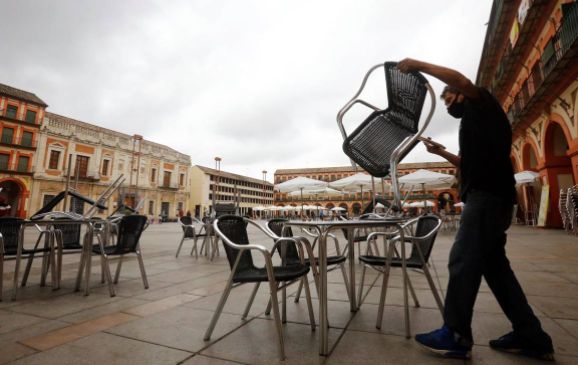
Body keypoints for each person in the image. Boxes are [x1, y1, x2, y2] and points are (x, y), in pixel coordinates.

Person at [397, 58, 554, 361]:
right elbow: (468, 165)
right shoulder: (475, 123)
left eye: (448, 99)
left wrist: (416, 64)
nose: (448, 106)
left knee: (462, 260)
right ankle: (530, 334)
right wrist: (441, 153)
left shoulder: (480, 102)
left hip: (486, 198)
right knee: (496, 270)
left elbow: (461, 79)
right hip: (492, 197)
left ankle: (455, 334)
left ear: (459, 92)